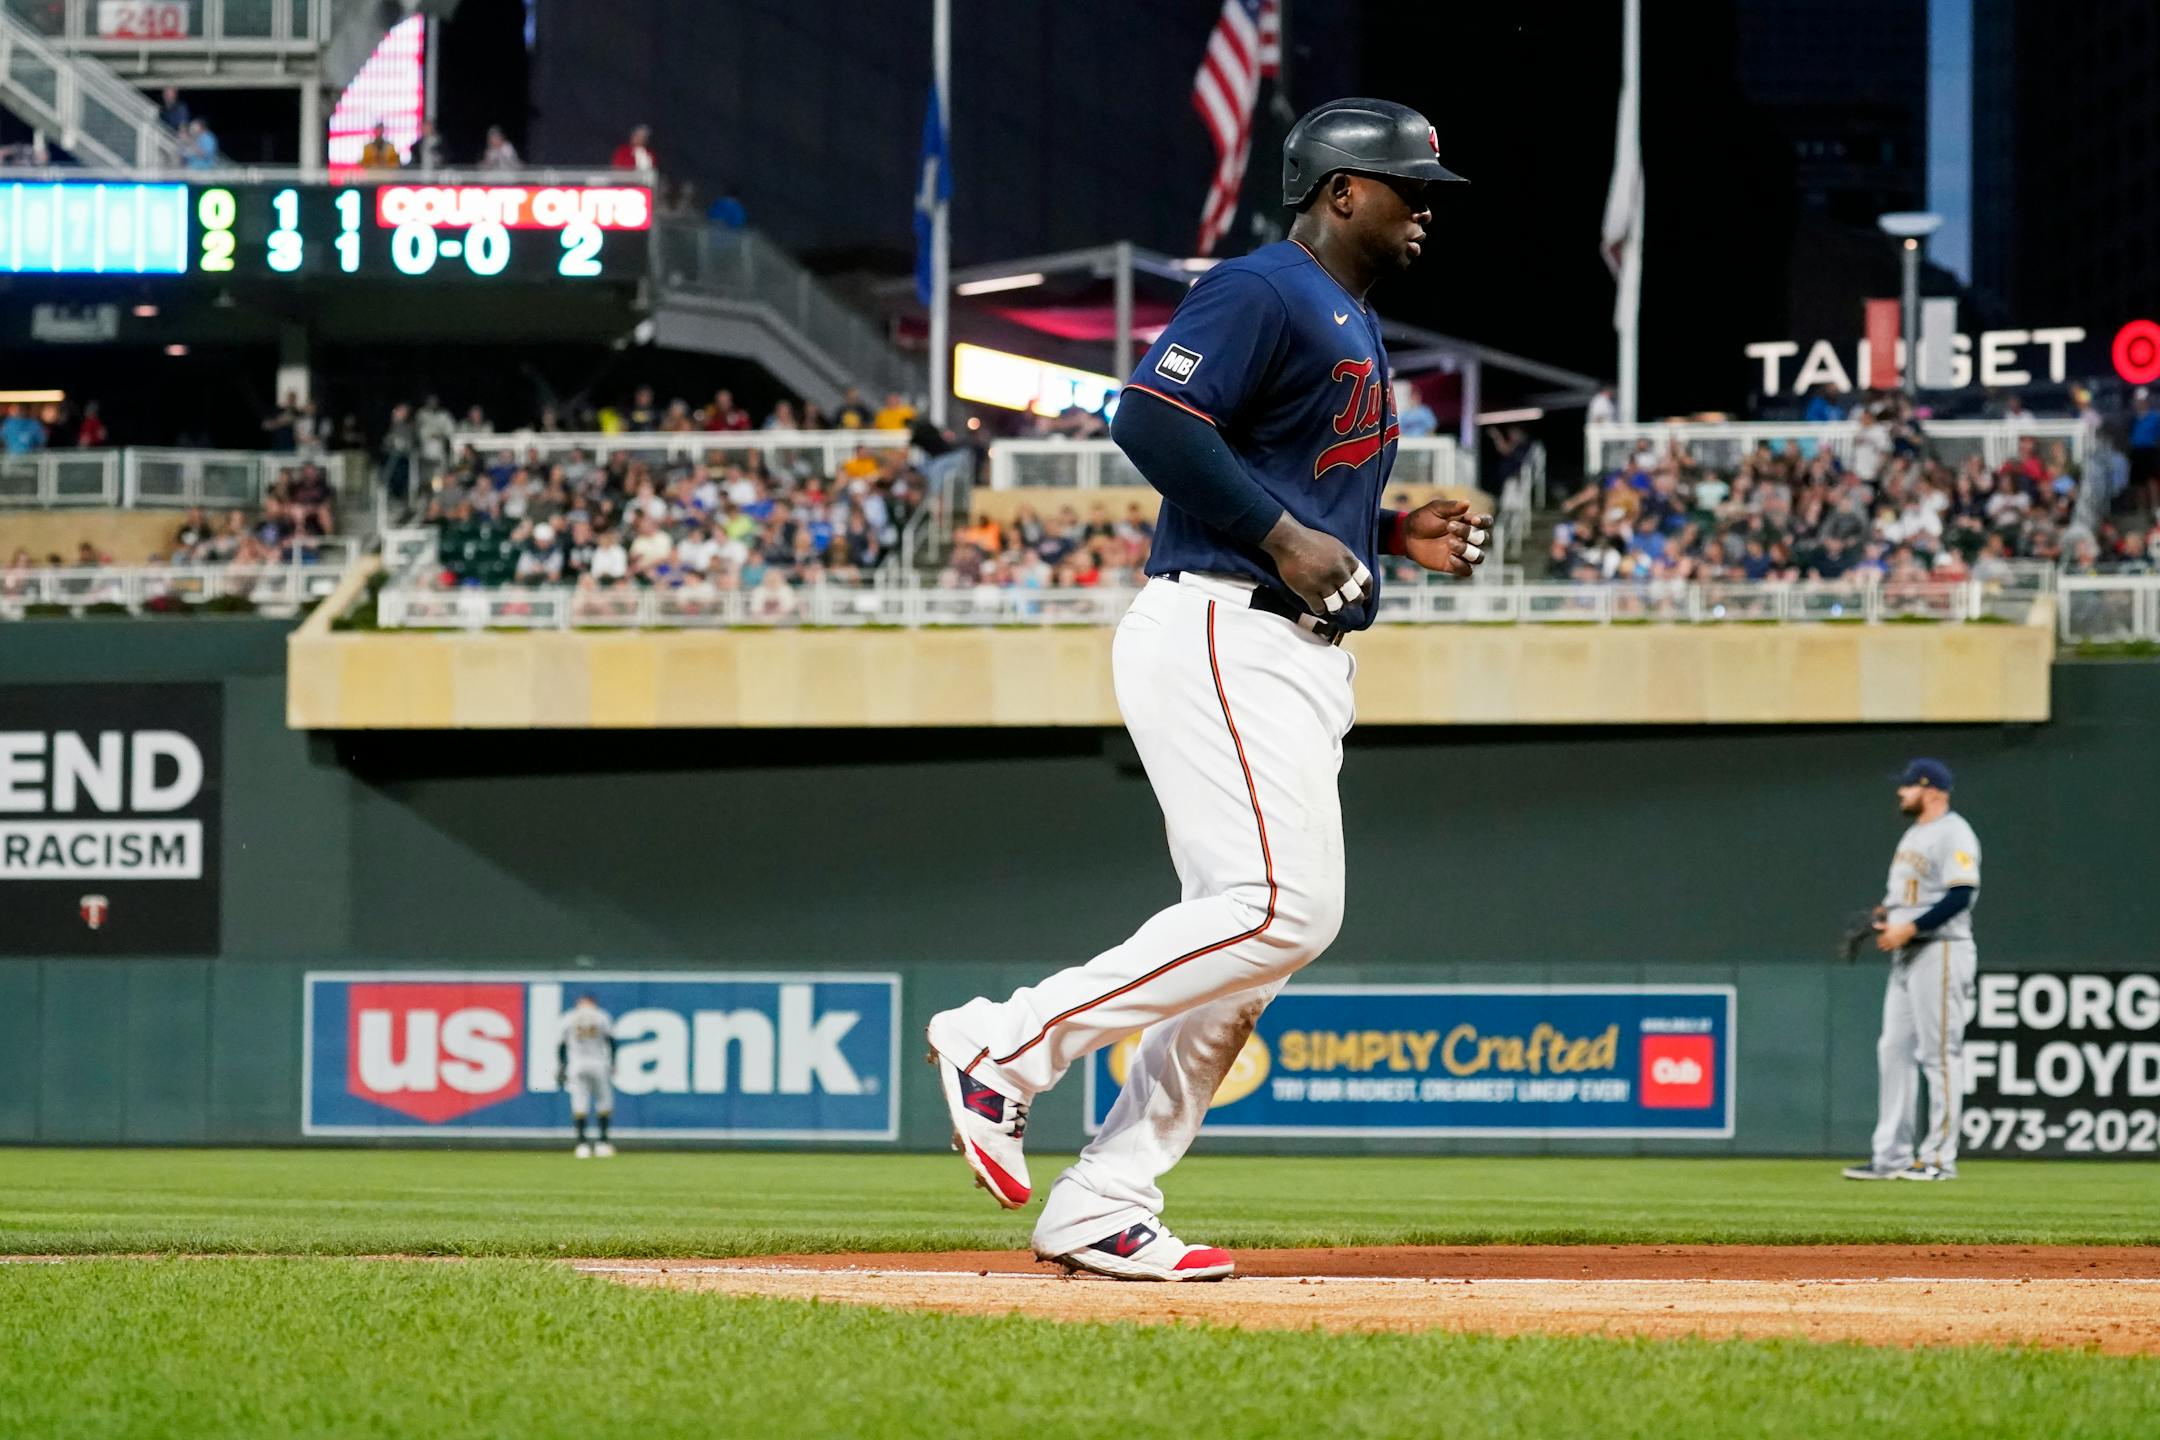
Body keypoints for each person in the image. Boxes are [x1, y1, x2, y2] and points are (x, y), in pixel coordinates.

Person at [923, 98, 1486, 1283]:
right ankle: (1005, 1044)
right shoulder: (1264, 286)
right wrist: (1287, 537)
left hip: (1286, 649)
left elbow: (1271, 460)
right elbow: (1153, 417)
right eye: (1407, 185)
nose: (1426, 204)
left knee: (1255, 946)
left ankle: (1107, 1196)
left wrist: (1386, 527)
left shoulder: (1348, 319)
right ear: (1341, 191)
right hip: (1226, 627)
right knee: (1287, 908)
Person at [1843, 760, 1981, 1183]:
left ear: (1932, 789)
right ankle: (1892, 1157)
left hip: (1940, 950)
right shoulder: (1915, 834)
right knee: (1893, 1050)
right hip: (1907, 954)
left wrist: (1912, 925)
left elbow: (1962, 894)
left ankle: (1939, 1158)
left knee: (1939, 1055)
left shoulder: (1955, 832)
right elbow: (1909, 895)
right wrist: (1889, 915)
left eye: (1907, 787)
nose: (1901, 793)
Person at [556, 993, 619, 1158]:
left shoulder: (569, 1017)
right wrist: (613, 1063)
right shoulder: (601, 1016)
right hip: (598, 1062)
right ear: (594, 1003)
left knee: (579, 1103)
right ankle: (603, 1143)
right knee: (603, 1102)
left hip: (576, 1064)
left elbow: (561, 1045)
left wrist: (562, 1066)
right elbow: (611, 1041)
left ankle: (581, 1145)